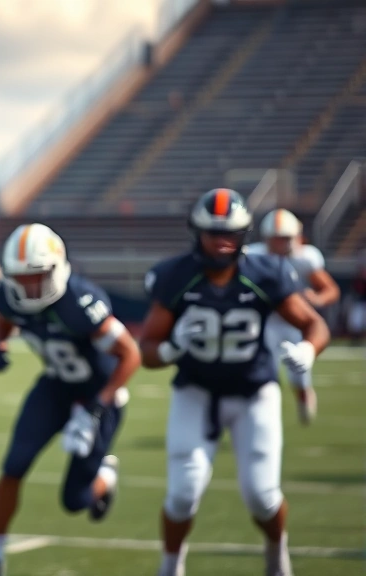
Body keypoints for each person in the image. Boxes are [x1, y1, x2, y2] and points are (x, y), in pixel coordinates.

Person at [139, 189, 330, 576]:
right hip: (195, 392)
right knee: (182, 493)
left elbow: (314, 324)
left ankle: (277, 554)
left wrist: (308, 351)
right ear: (197, 232)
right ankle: (170, 567)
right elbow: (147, 350)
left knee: (261, 496)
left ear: (244, 234)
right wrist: (173, 348)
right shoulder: (176, 275)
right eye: (213, 232)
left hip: (253, 393)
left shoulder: (265, 273)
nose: (222, 240)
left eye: (230, 232)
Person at [0, 223, 140, 576]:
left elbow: (129, 354)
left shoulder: (80, 301)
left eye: (35, 275)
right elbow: (3, 318)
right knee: (14, 465)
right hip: (55, 386)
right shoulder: (10, 294)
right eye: (20, 277)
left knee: (75, 500)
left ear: (56, 268)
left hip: (99, 394)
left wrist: (99, 406)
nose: (27, 285)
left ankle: (106, 477)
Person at [245, 209, 338, 424]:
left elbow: (330, 289)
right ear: (267, 238)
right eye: (277, 238)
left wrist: (316, 299)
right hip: (265, 320)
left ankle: (304, 394)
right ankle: (262, 412)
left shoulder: (305, 258)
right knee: (263, 370)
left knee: (299, 373)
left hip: (295, 321)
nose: (282, 243)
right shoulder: (254, 256)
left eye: (286, 238)